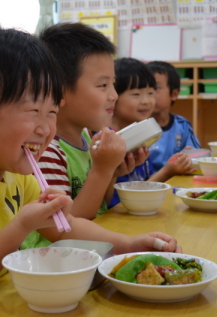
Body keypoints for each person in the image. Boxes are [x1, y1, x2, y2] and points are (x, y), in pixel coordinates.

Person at [0, 25, 181, 317]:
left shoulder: (17, 173)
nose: (45, 129)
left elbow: (64, 227)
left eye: (52, 112)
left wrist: (127, 245)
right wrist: (21, 226)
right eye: (32, 111)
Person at [36, 23, 148, 225]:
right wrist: (102, 170)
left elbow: (99, 206)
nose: (114, 95)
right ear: (59, 93)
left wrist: (112, 172)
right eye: (103, 85)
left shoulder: (85, 137)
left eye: (113, 84)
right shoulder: (47, 151)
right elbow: (66, 225)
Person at [109, 58, 193, 207]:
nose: (146, 101)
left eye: (150, 93)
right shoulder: (111, 142)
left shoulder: (140, 136)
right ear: (113, 96)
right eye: (136, 94)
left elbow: (145, 182)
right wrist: (166, 172)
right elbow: (121, 201)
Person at [146, 61, 201, 172]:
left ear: (174, 94)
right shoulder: (139, 128)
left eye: (155, 88)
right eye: (145, 88)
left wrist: (189, 157)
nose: (149, 93)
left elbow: (197, 155)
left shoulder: (182, 125)